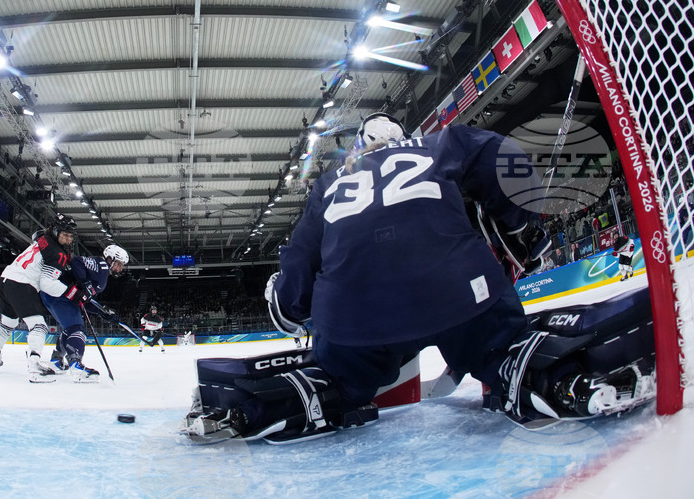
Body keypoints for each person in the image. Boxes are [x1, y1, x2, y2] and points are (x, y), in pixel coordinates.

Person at [185, 113, 553, 442]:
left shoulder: (329, 183)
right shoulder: (438, 144)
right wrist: (522, 226)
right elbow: (503, 156)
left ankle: (291, 399)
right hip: (457, 292)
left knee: (342, 380)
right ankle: (520, 368)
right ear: (404, 136)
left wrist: (289, 305)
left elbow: (299, 261)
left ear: (359, 147)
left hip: (354, 320)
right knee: (498, 347)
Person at [0, 214, 84, 382]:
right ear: (55, 231)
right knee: (39, 326)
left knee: (8, 323)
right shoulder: (58, 253)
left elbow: (39, 237)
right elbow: (47, 284)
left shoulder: (44, 238)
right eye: (64, 235)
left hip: (5, 279)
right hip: (22, 283)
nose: (67, 239)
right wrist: (73, 293)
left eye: (70, 236)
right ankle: (34, 366)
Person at [40, 244, 130, 382]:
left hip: (58, 295)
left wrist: (103, 312)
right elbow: (76, 261)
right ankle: (76, 367)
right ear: (110, 258)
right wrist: (86, 283)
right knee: (77, 329)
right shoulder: (102, 265)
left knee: (70, 329)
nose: (120, 268)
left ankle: (56, 361)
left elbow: (85, 301)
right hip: (60, 294)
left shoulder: (102, 274)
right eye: (119, 264)